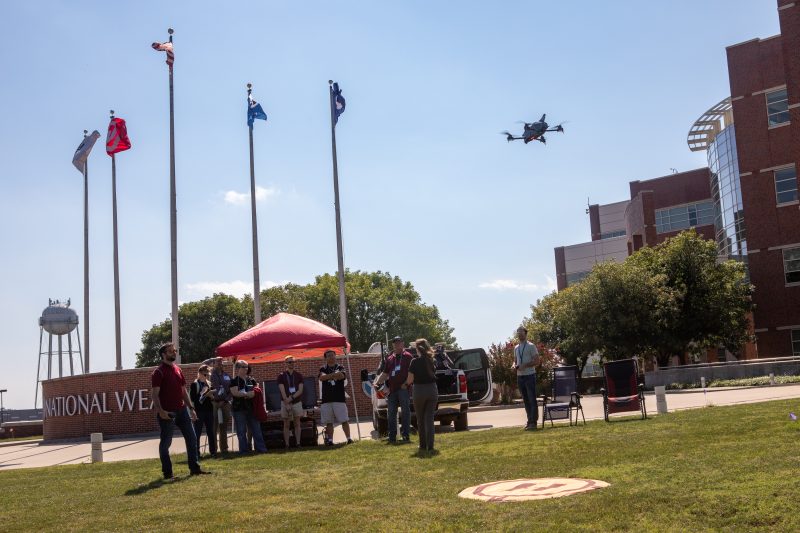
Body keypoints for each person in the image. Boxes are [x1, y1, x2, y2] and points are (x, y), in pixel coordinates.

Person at [150, 342, 207, 479]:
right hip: (167, 413)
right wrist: (161, 411)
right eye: (171, 351)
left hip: (182, 411)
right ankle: (168, 473)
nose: (174, 353)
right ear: (163, 355)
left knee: (192, 439)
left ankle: (195, 468)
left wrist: (191, 408)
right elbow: (154, 394)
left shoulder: (177, 369)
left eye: (174, 351)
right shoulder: (158, 372)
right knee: (166, 443)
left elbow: (183, 391)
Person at [373, 336, 414, 443]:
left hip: (403, 389)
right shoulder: (390, 358)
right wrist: (377, 382)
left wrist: (406, 384)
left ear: (403, 343)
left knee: (405, 412)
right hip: (391, 390)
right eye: (395, 343)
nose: (397, 344)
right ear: (393, 345)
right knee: (391, 413)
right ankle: (392, 437)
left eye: (399, 342)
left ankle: (405, 436)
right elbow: (385, 373)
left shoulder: (408, 356)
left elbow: (412, 372)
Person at [406, 338, 438, 452]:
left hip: (419, 390)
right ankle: (431, 446)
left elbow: (409, 380)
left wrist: (403, 385)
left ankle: (423, 445)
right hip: (432, 389)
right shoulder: (432, 360)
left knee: (420, 419)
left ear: (417, 349)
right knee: (429, 418)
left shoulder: (414, 361)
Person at [230, 360, 267, 454]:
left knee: (256, 429)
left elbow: (256, 391)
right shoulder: (234, 381)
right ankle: (243, 451)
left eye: (247, 367)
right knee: (241, 431)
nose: (246, 369)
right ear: (238, 368)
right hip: (239, 409)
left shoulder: (251, 380)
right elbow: (235, 393)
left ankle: (261, 449)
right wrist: (247, 394)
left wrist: (250, 394)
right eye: (244, 367)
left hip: (252, 408)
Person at [319, 350, 353, 446]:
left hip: (339, 398)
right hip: (326, 399)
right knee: (329, 422)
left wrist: (329, 376)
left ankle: (349, 439)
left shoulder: (340, 367)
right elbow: (322, 378)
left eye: (333, 355)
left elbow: (342, 375)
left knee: (344, 420)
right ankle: (330, 440)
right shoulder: (322, 368)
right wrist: (335, 375)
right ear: (325, 358)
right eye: (329, 356)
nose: (332, 357)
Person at [514, 326, 541, 430]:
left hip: (529, 376)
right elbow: (515, 361)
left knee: (532, 399)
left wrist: (524, 365)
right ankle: (529, 420)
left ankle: (533, 422)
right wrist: (514, 365)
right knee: (525, 400)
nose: (519, 334)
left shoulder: (531, 346)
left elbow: (537, 361)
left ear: (525, 333)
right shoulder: (516, 347)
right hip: (520, 377)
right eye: (518, 332)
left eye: (521, 332)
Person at [278, 356, 305, 449]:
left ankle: (298, 443)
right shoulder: (281, 375)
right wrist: (287, 402)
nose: (291, 364)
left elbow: (300, 390)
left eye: (292, 362)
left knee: (297, 423)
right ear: (285, 363)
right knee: (286, 424)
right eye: (289, 362)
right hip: (285, 402)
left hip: (296, 402)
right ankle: (287, 444)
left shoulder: (299, 375)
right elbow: (282, 390)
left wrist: (290, 399)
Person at [190, 364, 217, 459]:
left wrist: (211, 396)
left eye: (208, 375)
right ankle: (196, 453)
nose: (207, 376)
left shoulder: (209, 384)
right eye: (205, 375)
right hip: (199, 411)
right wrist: (203, 394)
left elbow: (214, 398)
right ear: (200, 373)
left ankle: (213, 451)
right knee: (197, 432)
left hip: (209, 410)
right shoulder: (194, 384)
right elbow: (193, 399)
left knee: (211, 431)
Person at [210, 357, 232, 454]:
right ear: (213, 364)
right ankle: (213, 449)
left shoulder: (227, 375)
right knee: (214, 426)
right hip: (214, 403)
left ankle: (224, 448)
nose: (220, 364)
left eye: (221, 362)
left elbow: (231, 389)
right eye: (218, 362)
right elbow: (210, 389)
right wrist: (216, 400)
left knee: (223, 426)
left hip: (225, 403)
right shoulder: (210, 375)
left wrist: (226, 399)